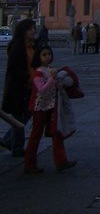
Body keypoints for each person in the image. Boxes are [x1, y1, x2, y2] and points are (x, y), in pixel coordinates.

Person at [23, 43, 77, 174]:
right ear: (39, 57)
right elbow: (41, 90)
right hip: (39, 107)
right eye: (44, 55)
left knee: (56, 133)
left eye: (49, 54)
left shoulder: (50, 69)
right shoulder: (38, 73)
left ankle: (61, 161)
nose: (47, 57)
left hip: (52, 106)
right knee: (36, 134)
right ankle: (29, 163)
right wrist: (52, 79)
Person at [0, 18, 36, 157]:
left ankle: (8, 141)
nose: (33, 31)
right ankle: (17, 147)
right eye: (30, 28)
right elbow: (14, 69)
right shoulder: (16, 47)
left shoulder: (33, 46)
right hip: (19, 88)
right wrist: (28, 77)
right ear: (23, 31)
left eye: (33, 28)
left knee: (24, 116)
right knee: (20, 116)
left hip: (31, 87)